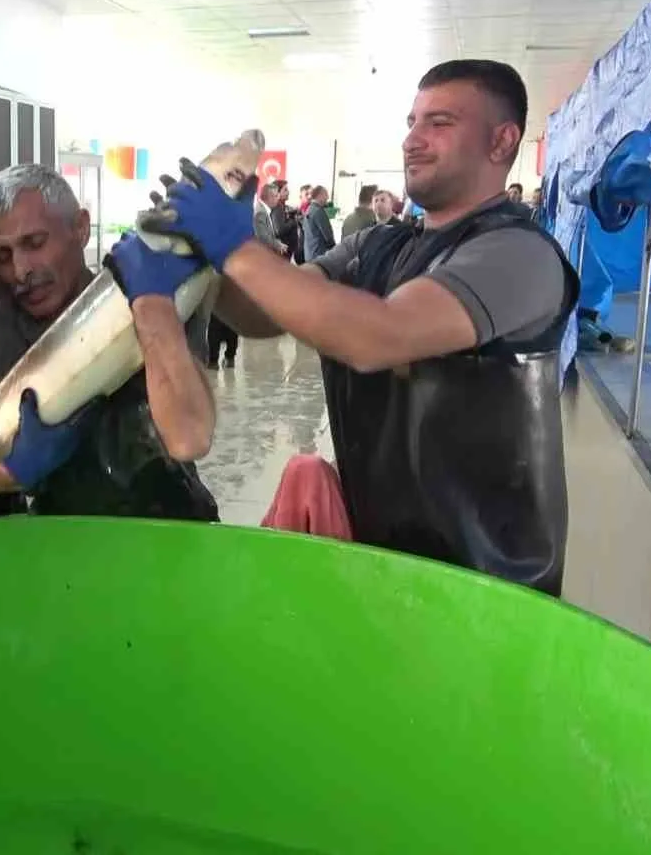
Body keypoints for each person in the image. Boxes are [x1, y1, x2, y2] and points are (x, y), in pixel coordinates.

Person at [147, 59, 579, 596]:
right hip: (386, 561)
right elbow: (266, 311)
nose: (412, 140)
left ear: (501, 141)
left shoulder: (519, 255)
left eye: (439, 123)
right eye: (412, 122)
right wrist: (200, 265)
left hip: (487, 587)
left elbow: (380, 337)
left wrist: (232, 246)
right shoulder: (379, 244)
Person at [0, 164, 219, 521]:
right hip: (58, 537)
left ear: (81, 228)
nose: (21, 270)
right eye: (2, 256)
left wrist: (152, 309)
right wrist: (7, 474)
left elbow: (191, 437)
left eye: (35, 243)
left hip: (175, 525)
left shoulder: (156, 298)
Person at [302, 185, 336, 262]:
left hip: (309, 253)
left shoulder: (309, 209)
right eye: (326, 195)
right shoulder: (318, 212)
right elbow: (328, 235)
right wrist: (335, 250)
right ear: (320, 196)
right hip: (319, 255)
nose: (328, 197)